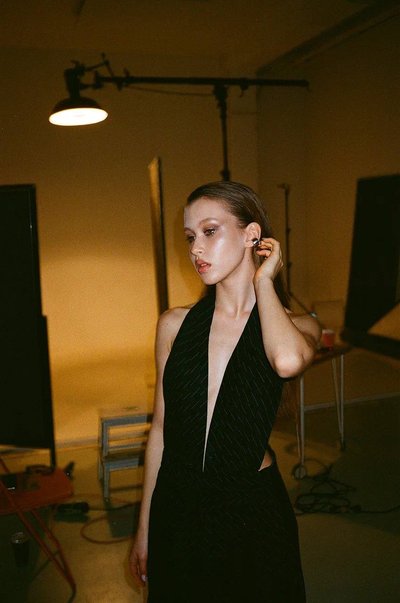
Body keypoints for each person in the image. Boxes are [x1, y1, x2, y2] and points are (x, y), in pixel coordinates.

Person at [129, 181, 321, 602]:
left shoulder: (296, 326)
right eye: (190, 237)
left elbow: (287, 361)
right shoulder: (174, 325)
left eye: (210, 231)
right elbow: (160, 430)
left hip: (251, 511)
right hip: (178, 507)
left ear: (252, 235)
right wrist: (144, 528)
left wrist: (265, 282)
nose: (196, 248)